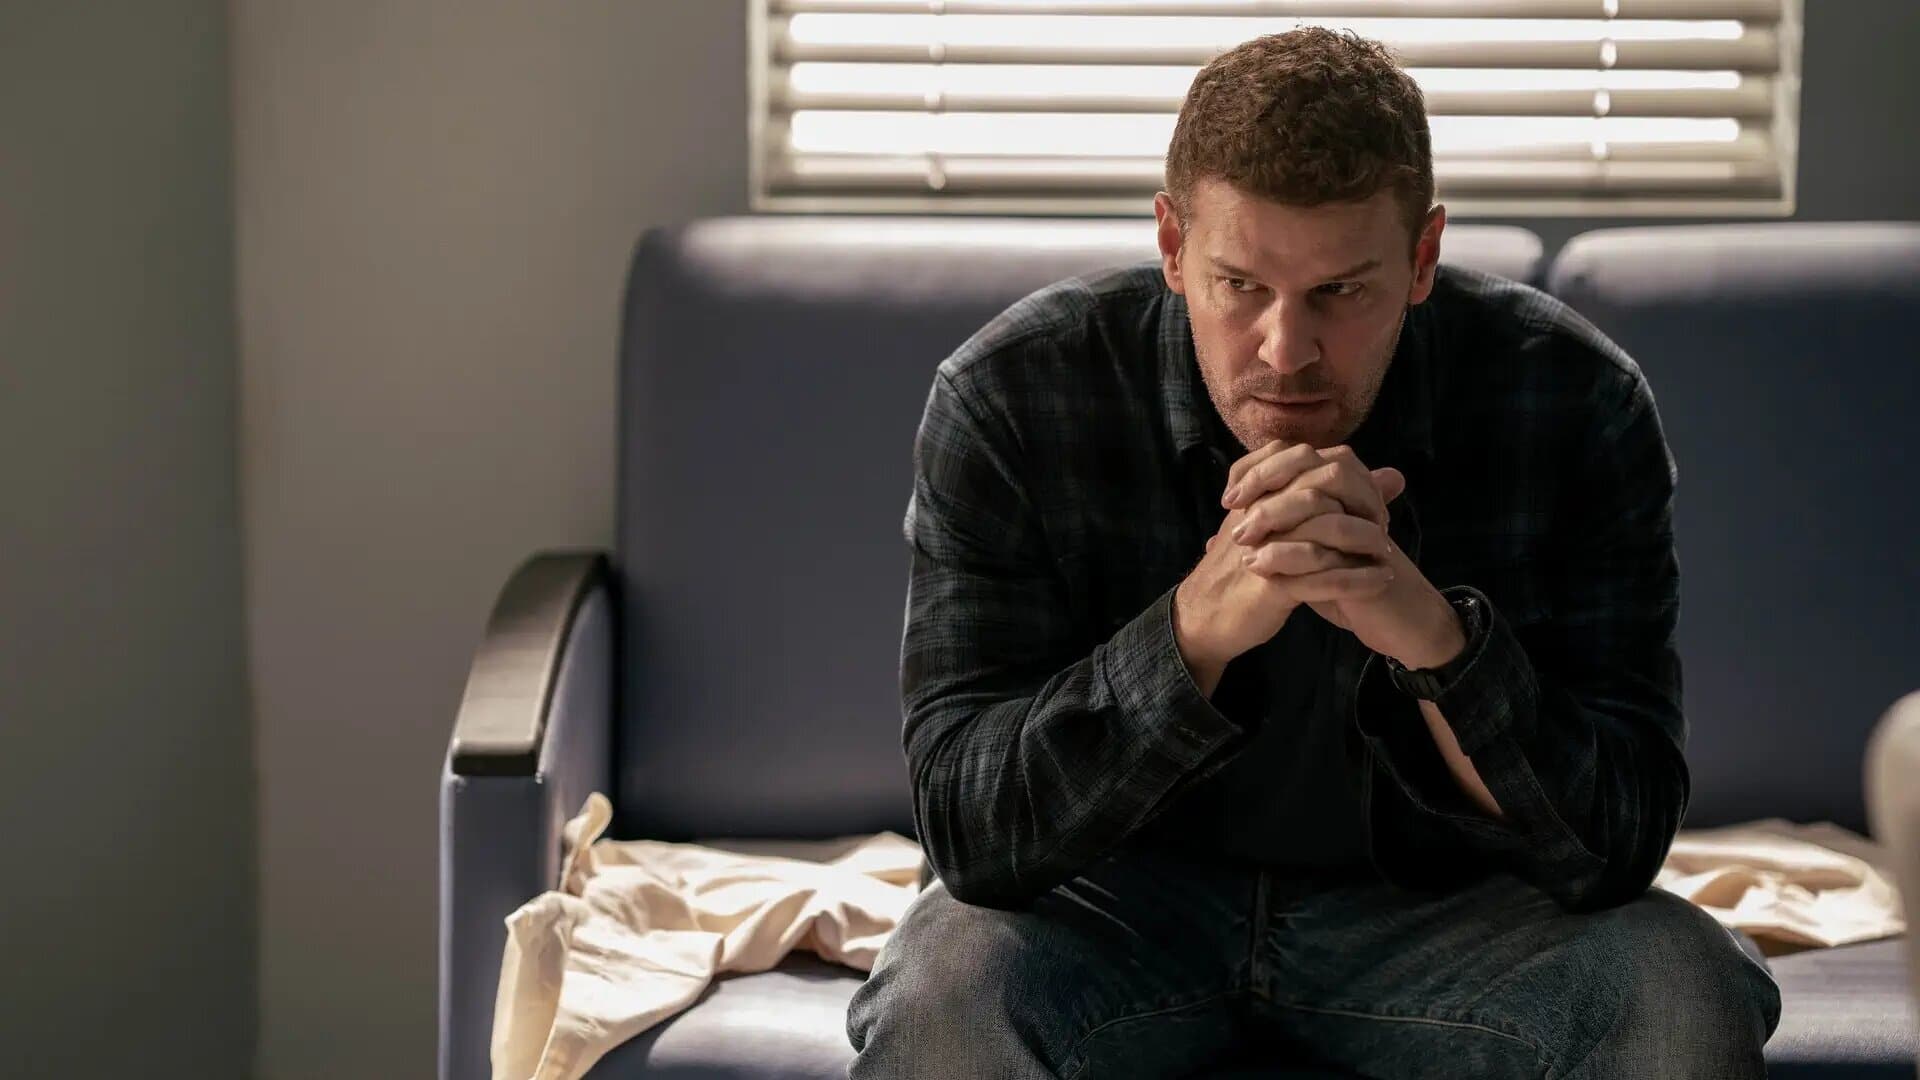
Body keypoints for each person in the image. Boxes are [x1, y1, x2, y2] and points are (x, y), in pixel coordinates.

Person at [846, 27, 1782, 1079]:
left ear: (1422, 259)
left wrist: (1436, 643)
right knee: (944, 991)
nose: (1286, 352)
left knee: (1681, 988)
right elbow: (969, 832)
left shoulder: (1577, 401)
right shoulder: (1010, 396)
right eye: (1240, 284)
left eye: (1340, 292)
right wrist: (1194, 632)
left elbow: (1620, 841)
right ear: (1172, 245)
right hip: (1105, 910)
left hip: (1449, 917)